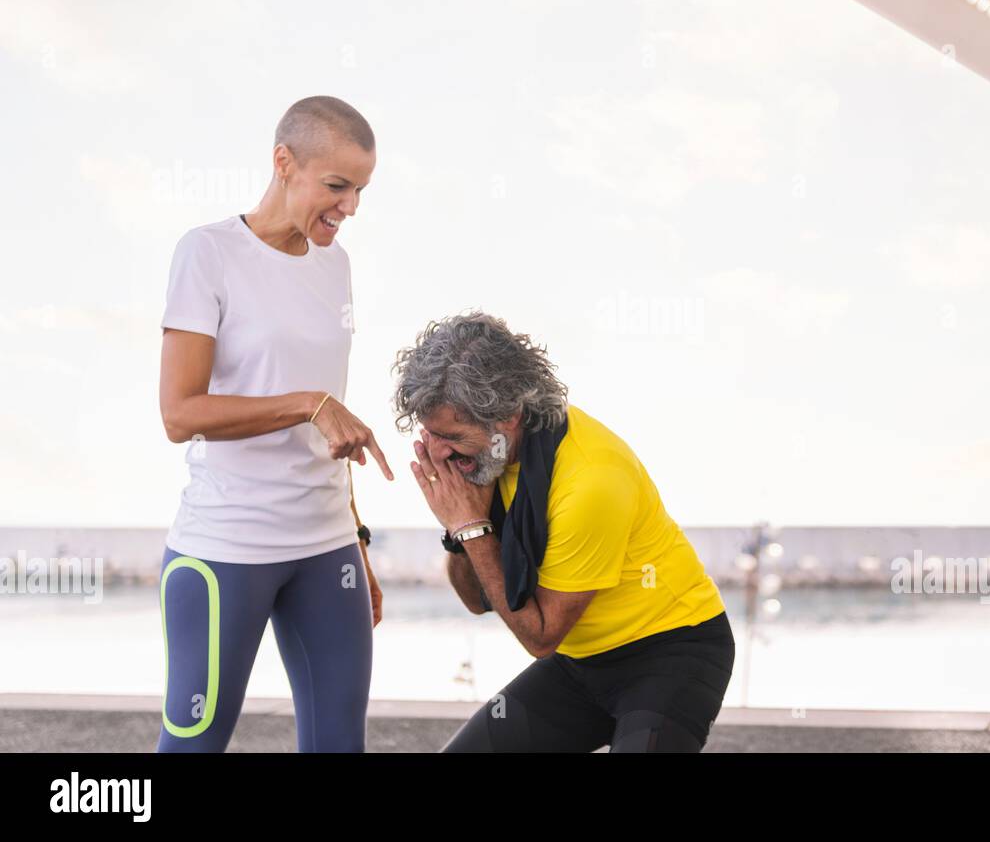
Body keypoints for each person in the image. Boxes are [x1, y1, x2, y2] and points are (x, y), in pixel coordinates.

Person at [156, 96, 392, 752]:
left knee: (338, 744)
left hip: (327, 548)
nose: (350, 208)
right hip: (226, 546)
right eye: (337, 187)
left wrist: (358, 543)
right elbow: (179, 413)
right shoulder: (208, 253)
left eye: (361, 190)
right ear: (284, 162)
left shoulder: (335, 266)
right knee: (194, 744)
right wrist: (307, 402)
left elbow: (332, 424)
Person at [391, 311, 734, 752]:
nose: (436, 451)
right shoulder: (492, 460)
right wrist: (460, 531)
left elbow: (540, 634)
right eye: (430, 434)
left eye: (452, 435)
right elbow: (477, 600)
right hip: (580, 663)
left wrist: (472, 528)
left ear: (508, 417)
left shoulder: (591, 480)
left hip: (670, 653)